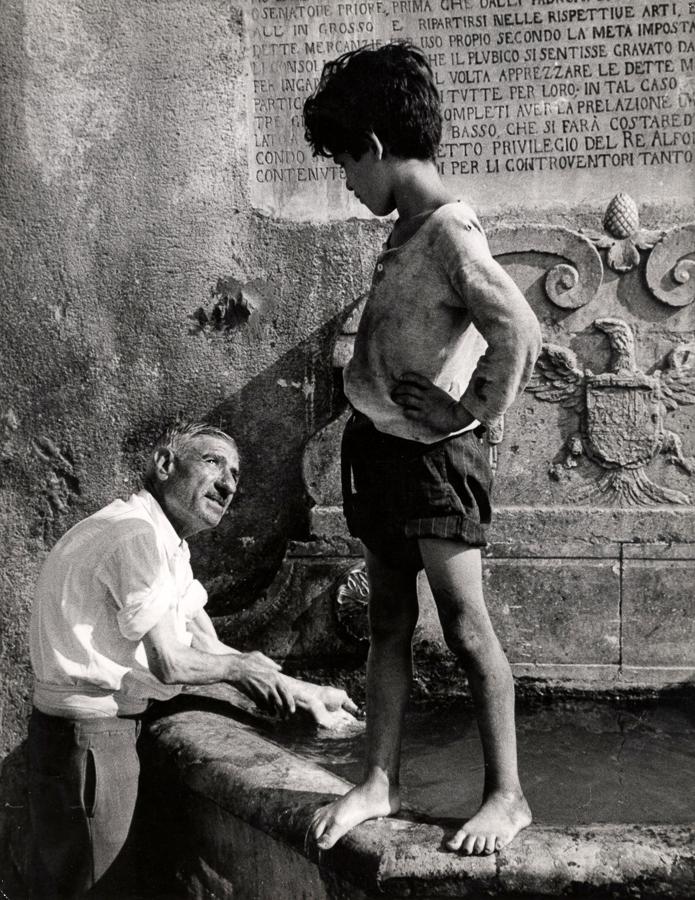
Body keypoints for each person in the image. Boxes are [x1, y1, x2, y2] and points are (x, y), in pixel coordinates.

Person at [302, 41, 542, 857]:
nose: (343, 181)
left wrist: (464, 412)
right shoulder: (409, 228)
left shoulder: (447, 228)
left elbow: (516, 326)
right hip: (384, 455)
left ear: (372, 146)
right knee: (388, 624)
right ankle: (381, 778)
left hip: (435, 461)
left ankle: (506, 796)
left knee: (467, 631)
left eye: (342, 162)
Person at [27, 421, 358, 898]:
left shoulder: (164, 543)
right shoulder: (136, 535)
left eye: (236, 475)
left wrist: (304, 692)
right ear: (164, 465)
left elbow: (212, 647)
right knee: (97, 889)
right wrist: (243, 671)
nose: (227, 484)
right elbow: (172, 663)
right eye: (212, 463)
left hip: (79, 736)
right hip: (92, 740)